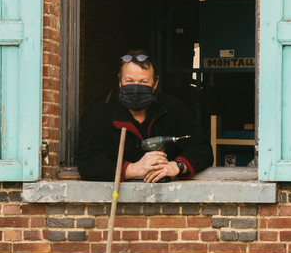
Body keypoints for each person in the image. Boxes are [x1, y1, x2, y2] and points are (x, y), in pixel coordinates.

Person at [76, 51, 212, 182]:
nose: (135, 88)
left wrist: (177, 166)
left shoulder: (173, 109)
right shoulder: (100, 114)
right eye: (129, 81)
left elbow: (203, 149)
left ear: (155, 83)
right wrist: (133, 169)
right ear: (120, 82)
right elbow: (87, 162)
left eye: (143, 82)